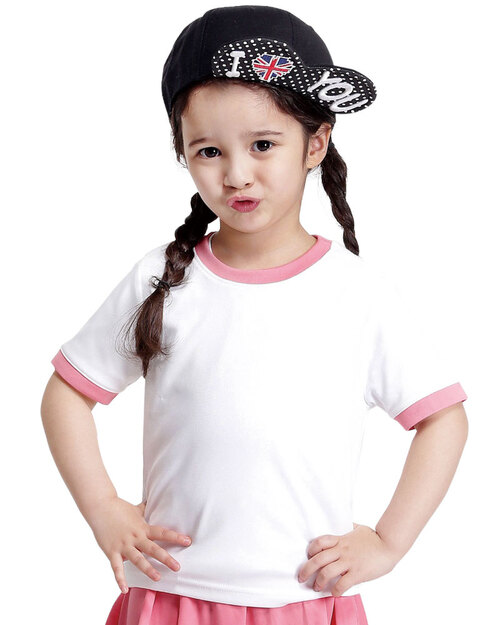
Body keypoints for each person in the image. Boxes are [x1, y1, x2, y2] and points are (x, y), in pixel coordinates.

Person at [40, 5, 469, 625]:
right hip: (170, 595)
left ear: (315, 143)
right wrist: (103, 507)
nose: (237, 174)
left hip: (303, 598)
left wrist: (387, 541)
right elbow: (67, 394)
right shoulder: (164, 277)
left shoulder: (357, 293)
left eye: (263, 145)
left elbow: (442, 419)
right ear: (183, 153)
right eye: (209, 150)